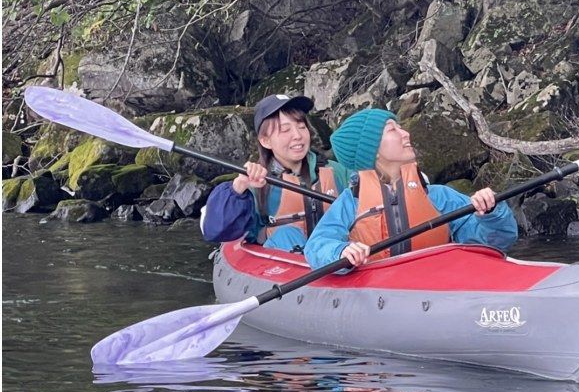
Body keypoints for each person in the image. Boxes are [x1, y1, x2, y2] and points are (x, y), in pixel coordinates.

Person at [303, 108, 517, 269]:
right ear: (373, 150)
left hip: (437, 287)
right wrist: (341, 251)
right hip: (377, 294)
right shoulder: (351, 202)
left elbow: (498, 241)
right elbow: (317, 245)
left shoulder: (438, 196)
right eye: (392, 130)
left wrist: (491, 214)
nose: (405, 133)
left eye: (400, 127)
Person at [201, 94, 349, 251]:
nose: (298, 136)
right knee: (286, 235)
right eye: (285, 130)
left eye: (301, 126)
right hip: (283, 265)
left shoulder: (336, 171)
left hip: (338, 258)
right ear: (265, 140)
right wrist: (238, 188)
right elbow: (214, 231)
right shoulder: (254, 186)